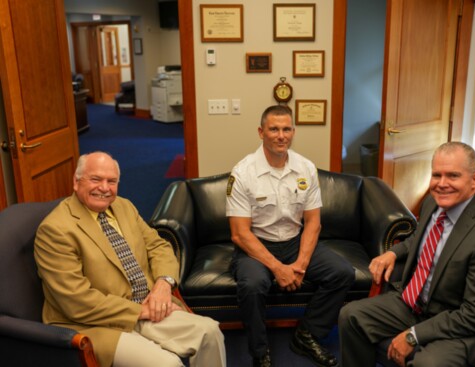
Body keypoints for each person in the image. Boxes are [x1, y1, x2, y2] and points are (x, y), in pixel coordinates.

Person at [34, 152, 226, 367]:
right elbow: (76, 301)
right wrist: (141, 311)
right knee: (168, 364)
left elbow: (158, 246)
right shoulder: (55, 230)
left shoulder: (124, 206)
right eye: (96, 179)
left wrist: (164, 284)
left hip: (147, 302)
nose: (104, 188)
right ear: (76, 182)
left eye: (112, 181)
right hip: (96, 323)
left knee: (210, 332)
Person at [338, 142, 475, 367]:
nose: (442, 184)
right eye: (436, 175)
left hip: (457, 321)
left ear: (474, 181)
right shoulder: (432, 202)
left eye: (453, 176)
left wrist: (414, 335)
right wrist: (393, 253)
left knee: (428, 365)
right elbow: (420, 239)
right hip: (415, 303)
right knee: (351, 316)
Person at [226, 105, 355, 367]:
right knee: (252, 285)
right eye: (274, 129)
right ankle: (259, 352)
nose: (281, 135)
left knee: (342, 272)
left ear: (293, 132)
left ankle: (307, 335)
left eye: (286, 129)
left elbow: (313, 223)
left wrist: (300, 265)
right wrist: (277, 268)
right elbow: (240, 234)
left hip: (294, 242)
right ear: (261, 132)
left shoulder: (305, 168)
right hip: (257, 245)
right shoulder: (242, 172)